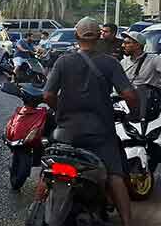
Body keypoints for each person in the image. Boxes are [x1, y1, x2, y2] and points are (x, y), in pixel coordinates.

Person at [43, 17, 138, 226]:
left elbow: (48, 95)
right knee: (115, 175)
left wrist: (61, 110)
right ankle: (128, 221)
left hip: (66, 132)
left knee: (49, 170)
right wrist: (134, 114)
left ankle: (40, 207)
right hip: (100, 133)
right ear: (99, 37)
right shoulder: (110, 63)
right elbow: (130, 95)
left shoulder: (63, 61)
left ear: (76, 36)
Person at [120, 31, 161, 121]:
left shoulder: (154, 60)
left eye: (127, 43)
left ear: (137, 45)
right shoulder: (123, 62)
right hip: (126, 103)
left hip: (148, 105)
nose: (123, 45)